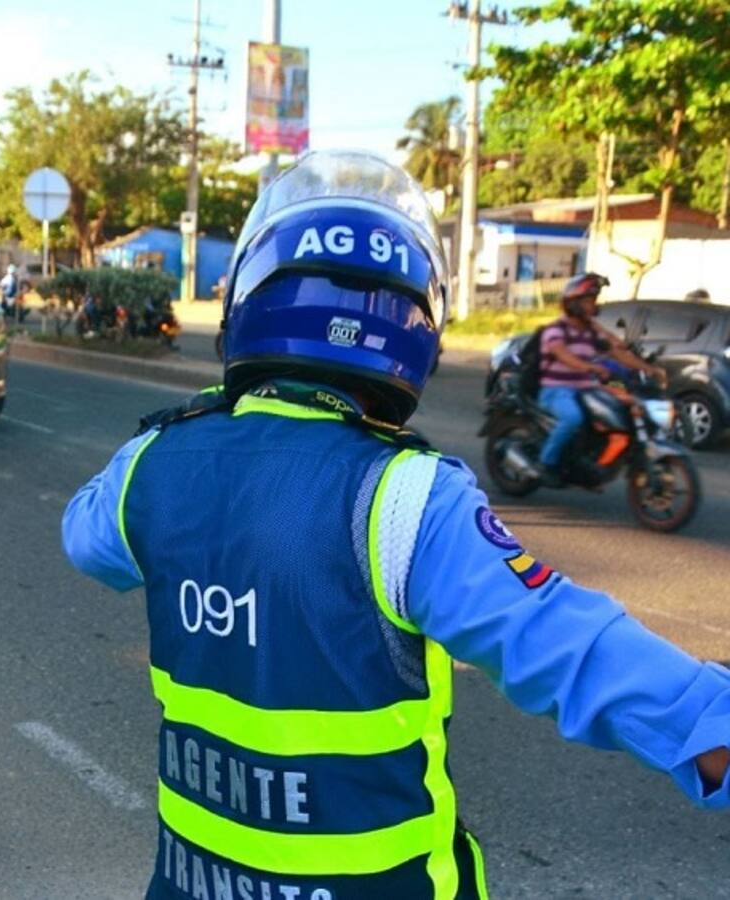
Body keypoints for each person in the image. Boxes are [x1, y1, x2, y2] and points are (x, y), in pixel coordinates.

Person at [61, 151, 730, 900]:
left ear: (251, 300)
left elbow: (87, 540)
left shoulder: (153, 464)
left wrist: (202, 424)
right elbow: (567, 643)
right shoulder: (406, 496)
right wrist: (711, 724)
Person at [534, 273, 665, 485]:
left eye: (593, 300)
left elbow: (617, 352)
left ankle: (593, 458)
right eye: (588, 301)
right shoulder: (556, 330)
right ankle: (545, 463)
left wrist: (648, 369)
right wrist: (589, 366)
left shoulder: (590, 331)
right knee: (572, 419)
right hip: (557, 389)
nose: (593, 305)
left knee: (625, 406)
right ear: (574, 303)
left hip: (588, 388)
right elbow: (562, 354)